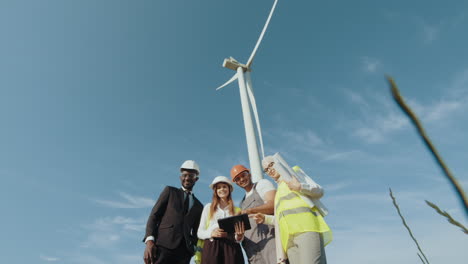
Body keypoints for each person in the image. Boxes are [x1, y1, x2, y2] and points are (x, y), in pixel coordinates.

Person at [253, 153, 332, 264]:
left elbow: (319, 190)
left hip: (306, 229)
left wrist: (300, 187)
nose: (270, 170)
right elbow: (282, 219)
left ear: (277, 162)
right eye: (266, 170)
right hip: (289, 240)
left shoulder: (293, 173)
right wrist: (265, 219)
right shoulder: (278, 193)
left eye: (271, 165)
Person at [143, 160, 204, 264]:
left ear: (196, 179)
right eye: (184, 175)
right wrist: (149, 241)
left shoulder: (199, 205)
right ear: (180, 177)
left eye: (191, 176)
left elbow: (196, 231)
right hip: (162, 246)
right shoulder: (170, 192)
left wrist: (192, 248)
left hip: (184, 252)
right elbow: (154, 216)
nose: (187, 178)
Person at [231, 165, 277, 264]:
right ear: (236, 183)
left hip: (270, 240)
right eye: (237, 179)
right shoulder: (241, 203)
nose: (242, 179)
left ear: (249, 174)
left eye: (243, 175)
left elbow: (274, 205)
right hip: (252, 248)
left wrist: (250, 211)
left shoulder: (262, 184)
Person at [197, 176, 246, 264]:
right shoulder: (208, 207)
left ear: (229, 189)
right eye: (218, 187)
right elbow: (200, 232)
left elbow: (239, 238)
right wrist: (211, 233)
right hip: (212, 248)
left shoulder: (237, 210)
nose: (221, 189)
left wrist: (239, 236)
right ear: (215, 191)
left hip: (232, 248)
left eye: (224, 186)